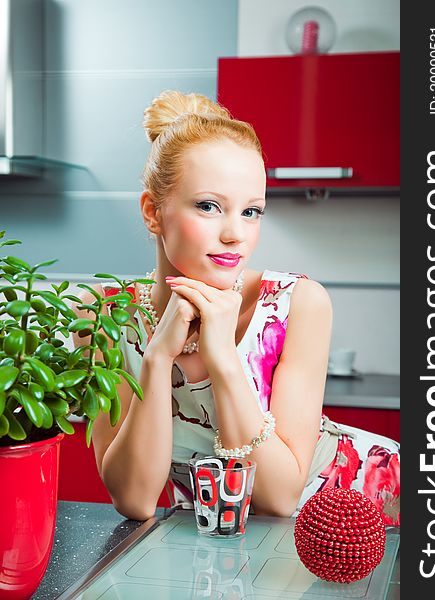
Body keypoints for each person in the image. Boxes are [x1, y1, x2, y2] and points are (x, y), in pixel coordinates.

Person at [73, 90, 400, 525]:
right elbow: (134, 499)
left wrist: (223, 357)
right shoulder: (101, 316)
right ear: (153, 212)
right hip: (233, 543)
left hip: (363, 506)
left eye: (251, 211)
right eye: (209, 206)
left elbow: (280, 496)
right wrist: (156, 357)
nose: (235, 234)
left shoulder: (297, 303)